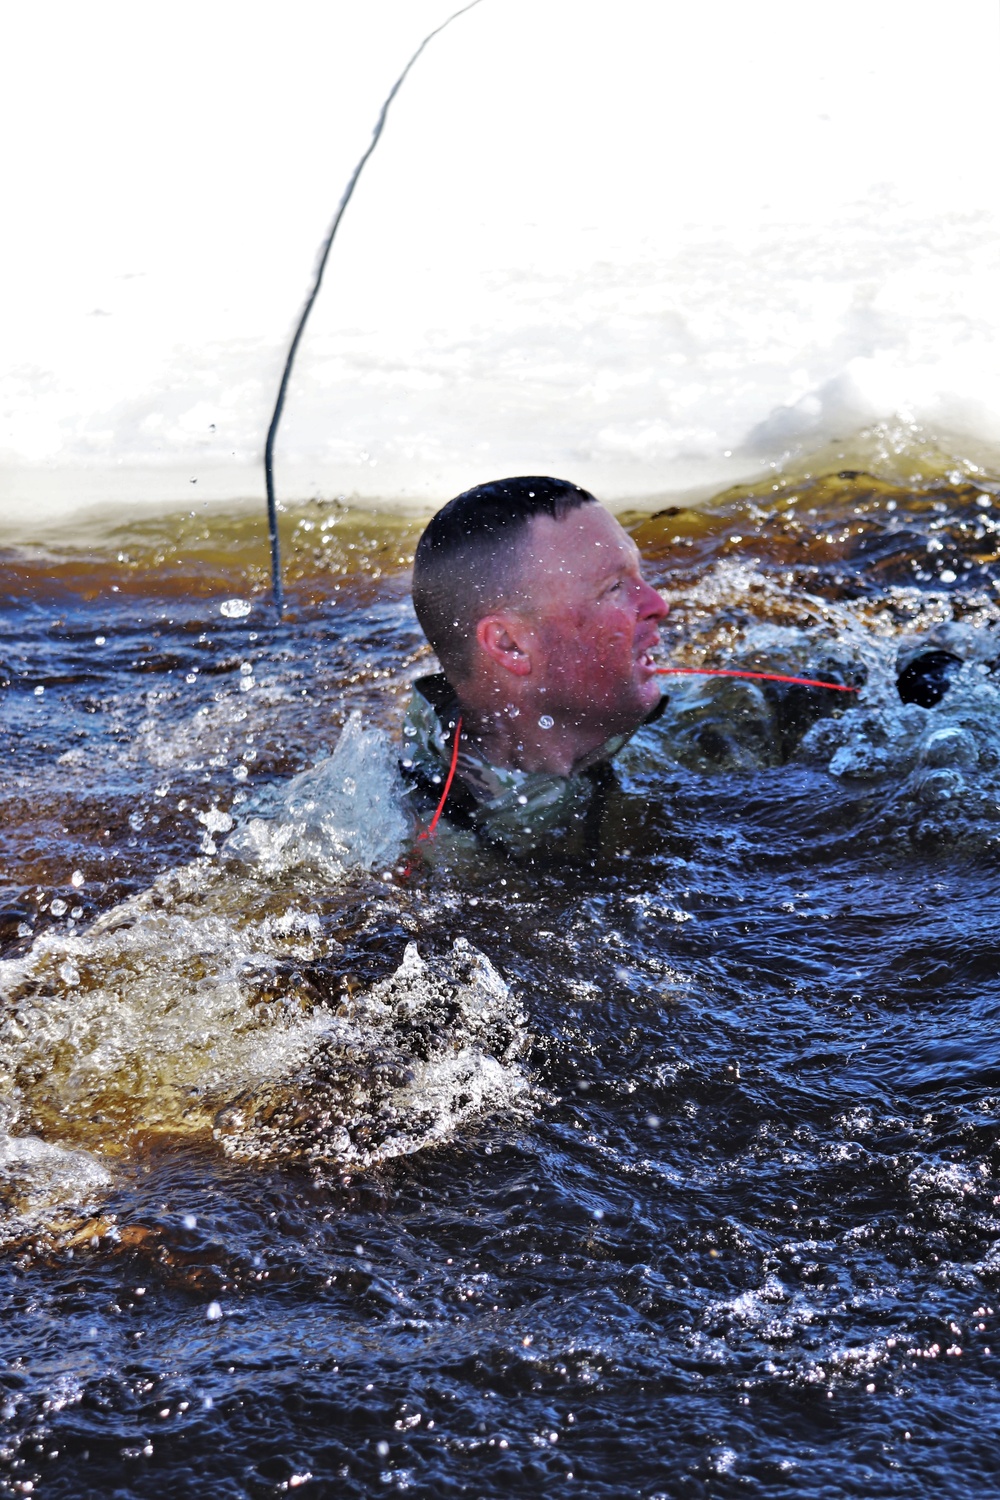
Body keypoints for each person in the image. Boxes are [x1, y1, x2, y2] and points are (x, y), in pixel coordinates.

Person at [403, 475, 669, 851]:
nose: (658, 604)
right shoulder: (419, 837)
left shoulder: (685, 717)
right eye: (614, 588)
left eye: (639, 574)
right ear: (510, 645)